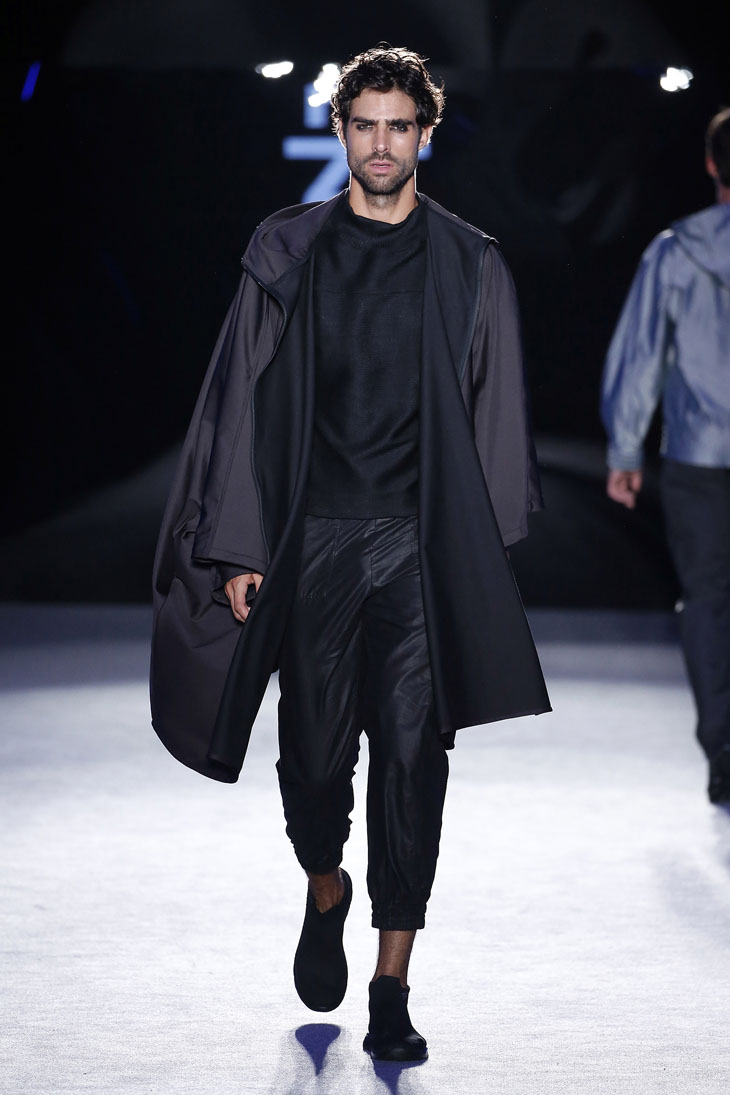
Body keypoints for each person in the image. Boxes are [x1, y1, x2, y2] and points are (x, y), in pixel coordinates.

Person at [150, 44, 550, 1060]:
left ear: (426, 134)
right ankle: (325, 884)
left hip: (418, 546)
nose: (380, 144)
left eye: (397, 126)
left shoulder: (469, 259)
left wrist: (478, 561)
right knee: (315, 763)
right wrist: (238, 543)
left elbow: (495, 411)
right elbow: (241, 397)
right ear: (339, 131)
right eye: (363, 125)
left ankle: (391, 986)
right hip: (313, 541)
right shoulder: (287, 249)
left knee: (413, 761)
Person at [601, 108, 730, 805]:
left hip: (698, 457)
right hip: (696, 461)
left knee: (707, 601)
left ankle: (722, 747)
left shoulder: (676, 252)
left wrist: (626, 447)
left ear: (711, 164)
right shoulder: (672, 251)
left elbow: (641, 354)